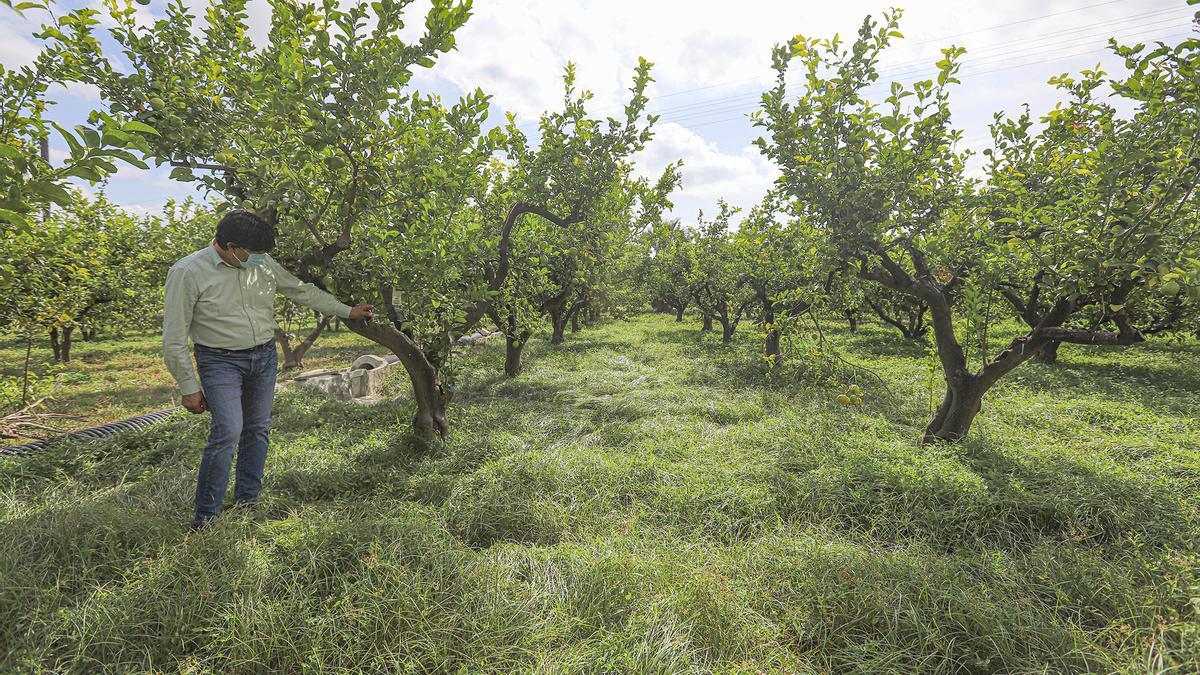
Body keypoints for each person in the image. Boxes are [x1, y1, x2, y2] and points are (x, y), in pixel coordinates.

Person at [162, 210, 373, 530]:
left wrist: (347, 310)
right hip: (220, 361)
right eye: (255, 252)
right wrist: (188, 387)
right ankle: (205, 518)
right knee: (228, 431)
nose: (261, 258)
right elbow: (174, 338)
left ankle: (248, 500)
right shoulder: (188, 272)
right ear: (231, 247)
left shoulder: (258, 261)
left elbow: (300, 290)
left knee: (257, 429)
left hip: (262, 357)